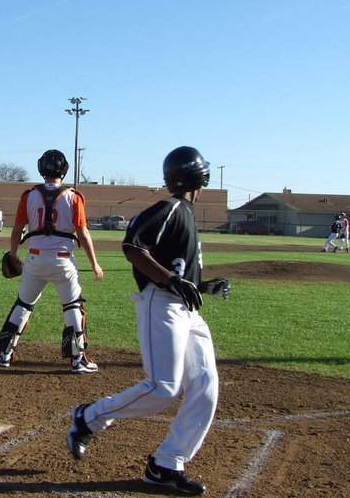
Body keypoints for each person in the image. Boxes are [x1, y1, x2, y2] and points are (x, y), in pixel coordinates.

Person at [66, 146, 230, 495]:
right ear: (200, 176)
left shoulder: (184, 212)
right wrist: (171, 282)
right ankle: (89, 418)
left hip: (188, 312)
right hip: (161, 304)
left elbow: (178, 272)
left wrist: (203, 285)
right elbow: (133, 247)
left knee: (205, 385)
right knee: (164, 387)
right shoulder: (170, 208)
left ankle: (166, 464)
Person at [0, 149, 103, 373]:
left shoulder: (29, 195)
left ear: (41, 168)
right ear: (64, 170)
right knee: (72, 306)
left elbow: (16, 231)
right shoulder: (74, 196)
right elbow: (83, 234)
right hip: (64, 262)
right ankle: (77, 359)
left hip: (35, 260)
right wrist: (94, 264)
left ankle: (5, 354)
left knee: (23, 305)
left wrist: (14, 253)